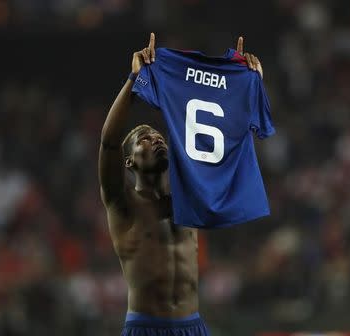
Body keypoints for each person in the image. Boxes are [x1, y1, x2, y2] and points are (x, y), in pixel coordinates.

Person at [99, 33, 263, 336]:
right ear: (129, 162)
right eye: (144, 140)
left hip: (193, 327)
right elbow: (109, 141)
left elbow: (230, 145)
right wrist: (135, 82)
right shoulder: (122, 203)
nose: (156, 140)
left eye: (160, 138)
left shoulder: (189, 190)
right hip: (145, 328)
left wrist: (243, 83)